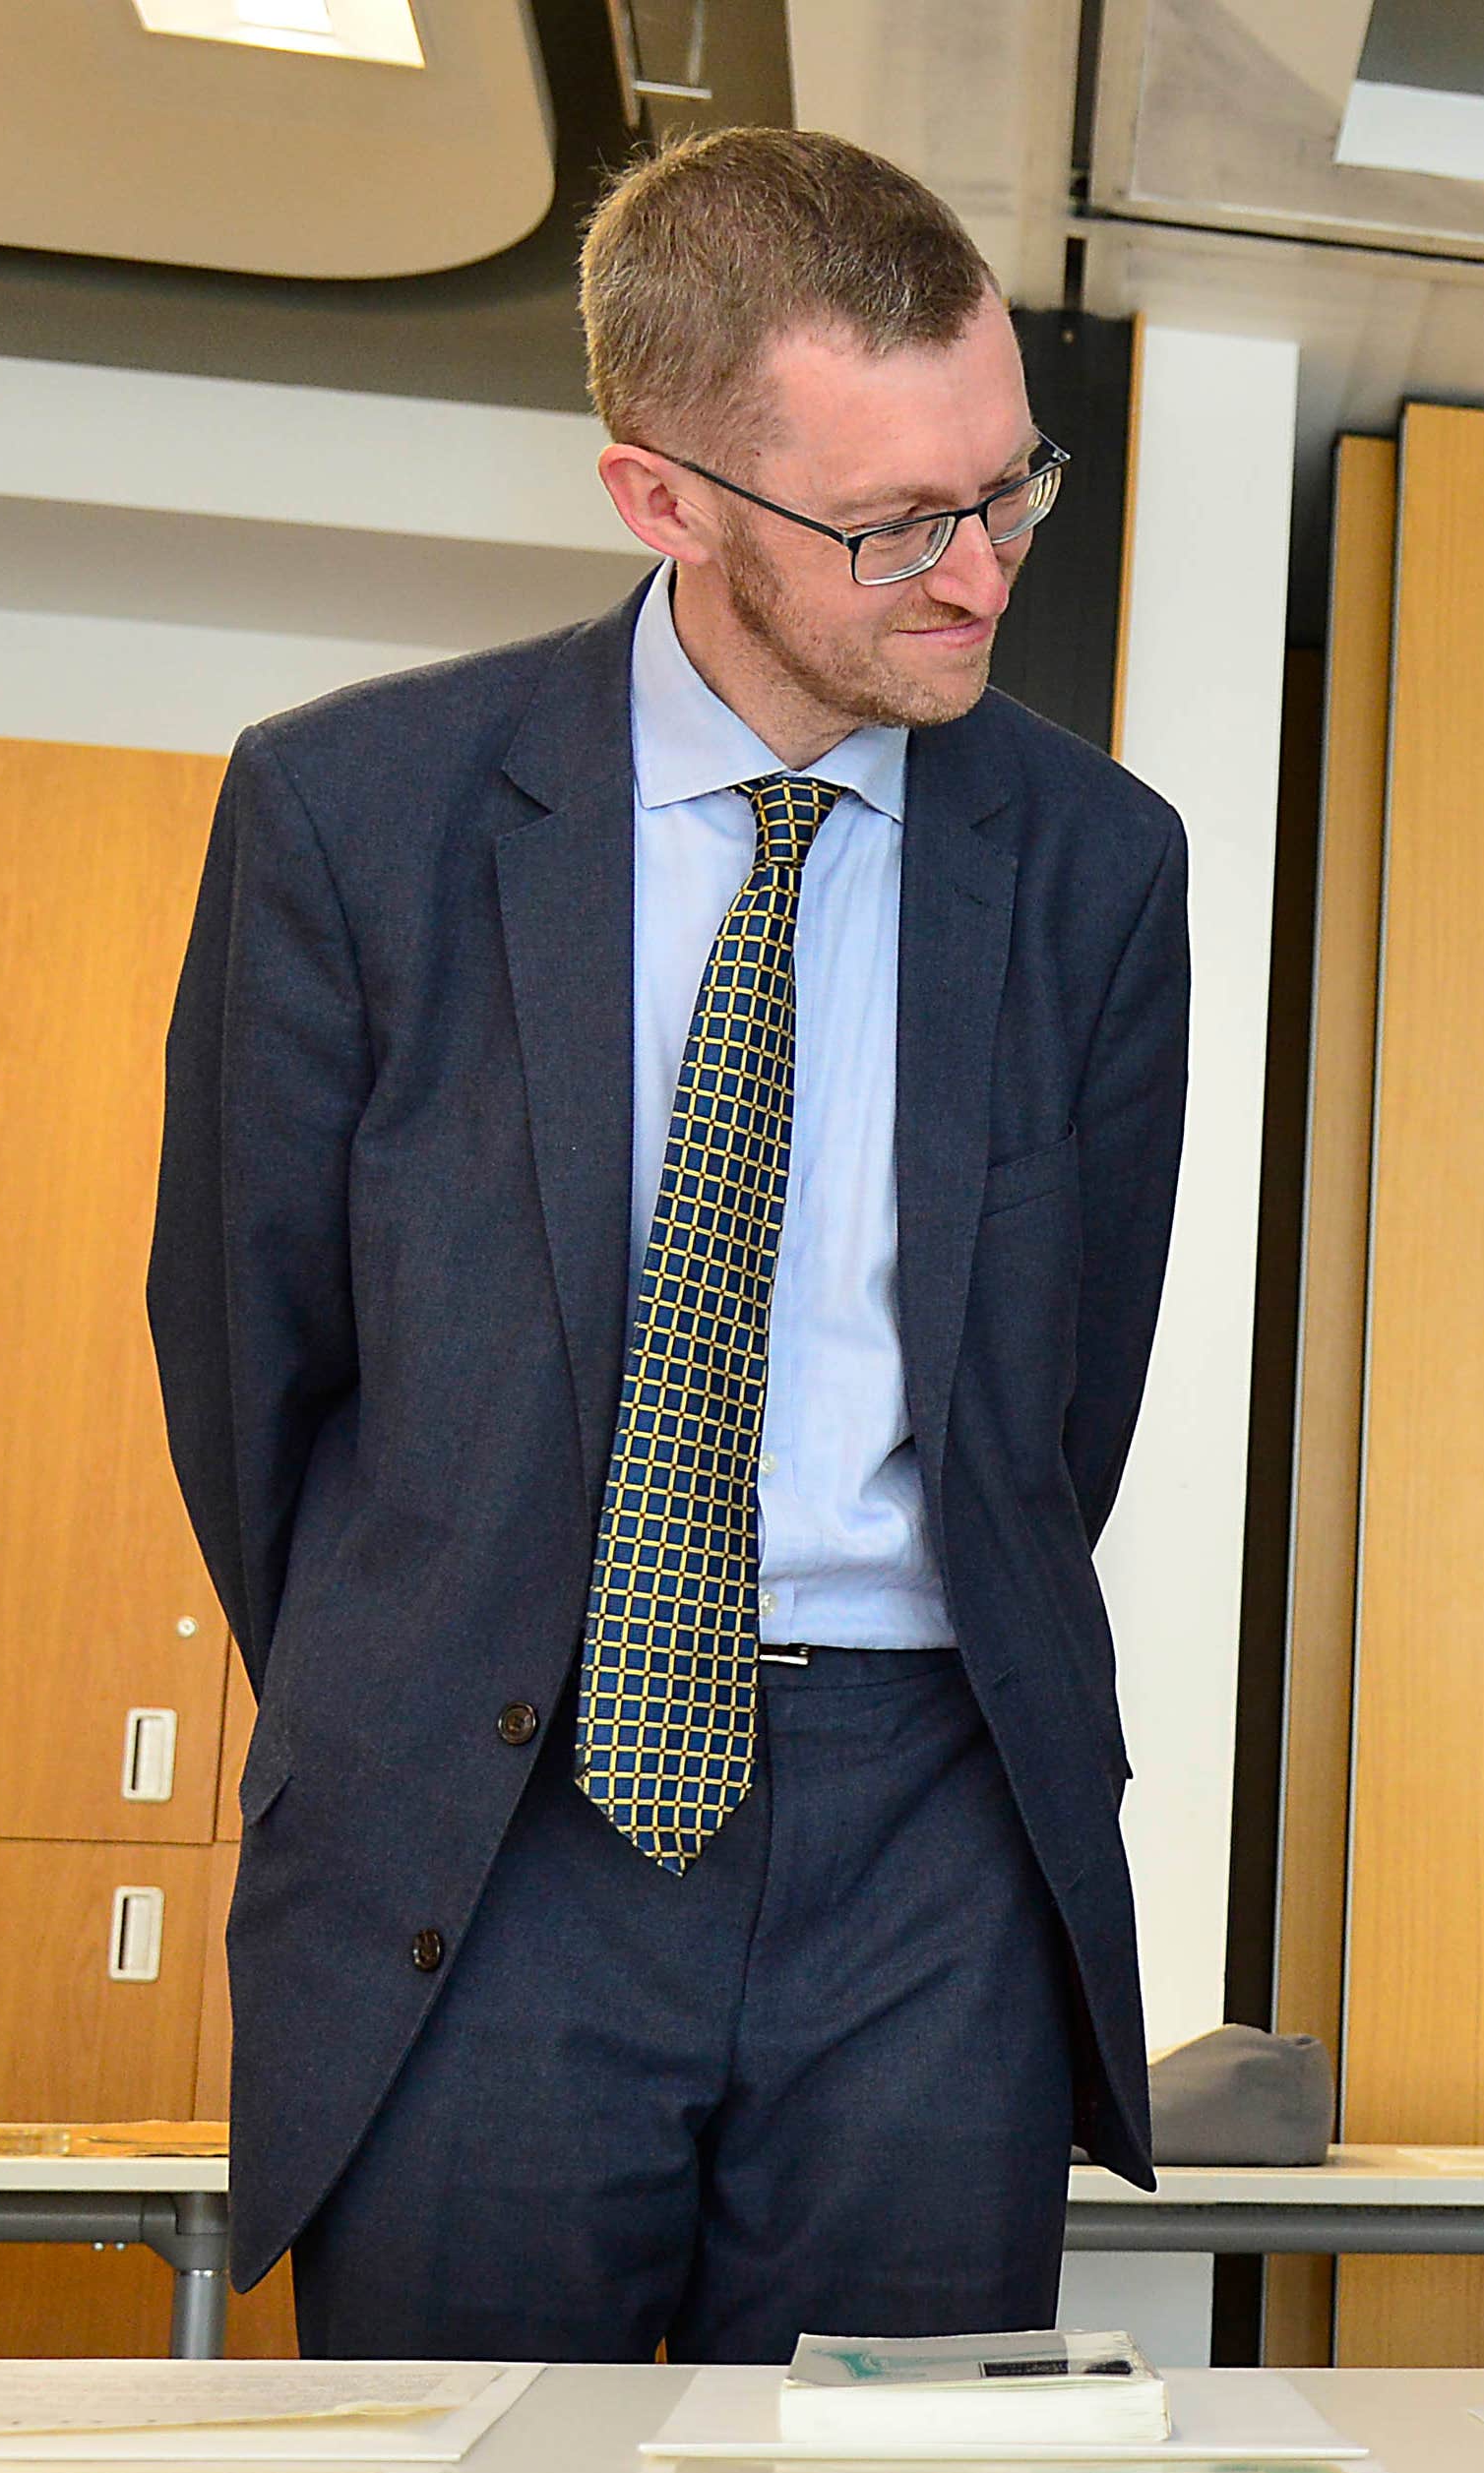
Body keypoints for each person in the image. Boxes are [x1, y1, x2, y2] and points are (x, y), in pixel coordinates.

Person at [148, 128, 1190, 2359]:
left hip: (932, 1837)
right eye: (893, 522)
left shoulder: (1101, 866)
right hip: (493, 1826)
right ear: (662, 500)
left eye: (1006, 489)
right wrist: (436, 1666)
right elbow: (257, 1374)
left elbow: (1063, 1406)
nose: (979, 574)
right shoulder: (357, 818)